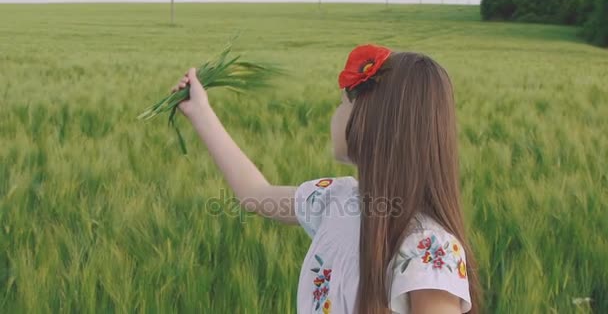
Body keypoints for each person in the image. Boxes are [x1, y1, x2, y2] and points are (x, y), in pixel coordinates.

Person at [170, 44, 481, 313]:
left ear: (372, 121)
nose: (335, 113)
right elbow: (256, 194)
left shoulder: (429, 248)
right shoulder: (338, 199)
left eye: (344, 104)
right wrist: (200, 113)